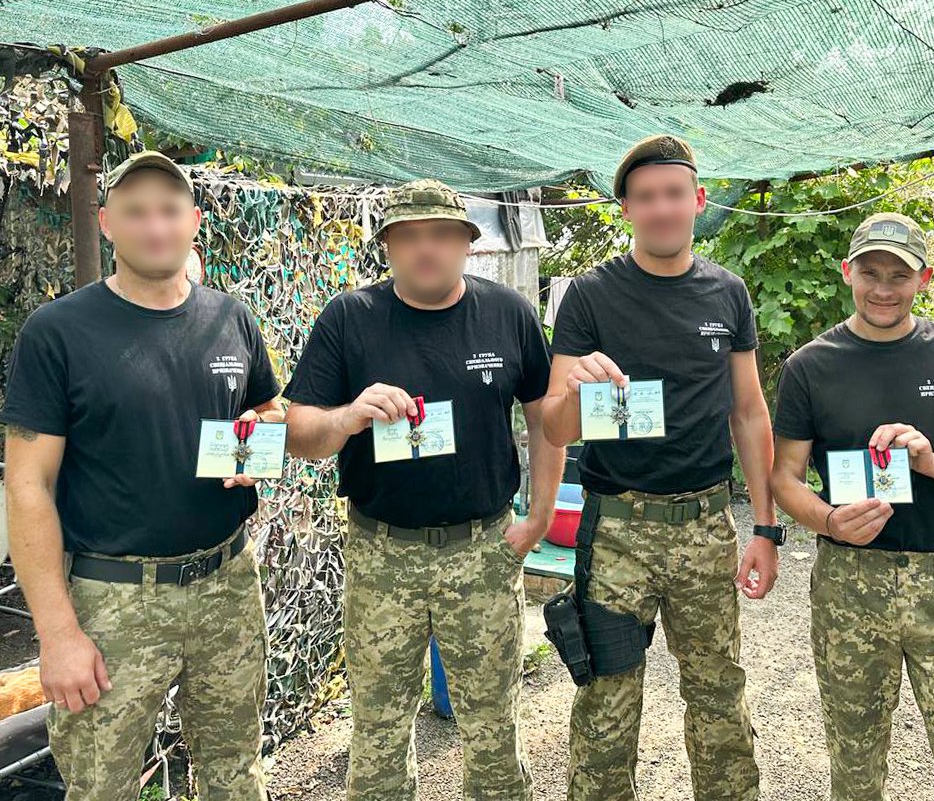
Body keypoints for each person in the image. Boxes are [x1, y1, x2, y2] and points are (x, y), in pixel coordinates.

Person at [3, 151, 282, 801]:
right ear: (106, 222)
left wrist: (262, 435)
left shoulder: (230, 318)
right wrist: (58, 635)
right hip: (113, 602)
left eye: (169, 211)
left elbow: (269, 408)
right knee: (102, 788)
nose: (155, 227)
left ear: (194, 221)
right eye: (135, 212)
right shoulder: (58, 332)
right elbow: (27, 485)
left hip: (227, 587)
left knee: (236, 774)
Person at [283, 178, 563, 801]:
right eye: (408, 236)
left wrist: (541, 515)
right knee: (378, 733)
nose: (426, 249)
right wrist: (348, 416)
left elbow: (545, 417)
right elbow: (299, 434)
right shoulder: (350, 318)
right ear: (387, 246)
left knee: (493, 728)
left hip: (483, 548)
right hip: (383, 553)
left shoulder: (508, 313)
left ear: (467, 242)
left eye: (441, 234)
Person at [541, 134, 779, 801]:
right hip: (618, 530)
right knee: (606, 707)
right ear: (626, 209)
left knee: (719, 696)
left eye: (674, 194)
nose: (662, 209)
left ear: (697, 200)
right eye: (646, 197)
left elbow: (749, 412)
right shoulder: (590, 296)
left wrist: (766, 527)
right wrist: (578, 393)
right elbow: (555, 426)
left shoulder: (727, 293)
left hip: (706, 525)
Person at [769, 212, 934, 801]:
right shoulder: (811, 365)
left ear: (925, 279)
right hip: (848, 581)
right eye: (871, 273)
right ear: (847, 272)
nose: (884, 289)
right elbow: (784, 478)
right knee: (855, 764)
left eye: (900, 275)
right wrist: (828, 520)